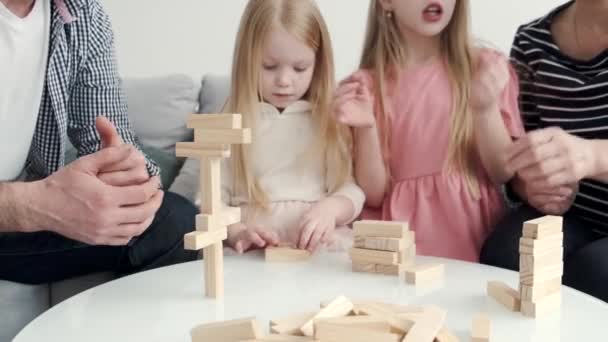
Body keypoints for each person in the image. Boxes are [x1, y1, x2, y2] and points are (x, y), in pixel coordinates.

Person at [0, 0, 197, 285]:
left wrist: (126, 177)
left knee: (175, 222)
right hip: (17, 213)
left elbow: (115, 142)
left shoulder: (82, 14)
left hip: (16, 234)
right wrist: (36, 203)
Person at [333, 0, 524, 261]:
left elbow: (503, 172)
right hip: (399, 246)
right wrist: (366, 128)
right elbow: (374, 195)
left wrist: (485, 108)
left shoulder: (486, 69)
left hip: (476, 241)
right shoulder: (365, 88)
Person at [480, 0, 608, 302]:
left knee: (595, 270)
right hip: (572, 217)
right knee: (507, 254)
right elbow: (519, 157)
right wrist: (530, 185)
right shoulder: (532, 40)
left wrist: (592, 157)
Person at [219, 0, 365, 254]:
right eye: (269, 66)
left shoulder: (326, 118)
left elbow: (351, 190)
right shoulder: (231, 119)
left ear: (318, 64)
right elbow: (211, 201)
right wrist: (237, 233)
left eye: (300, 68)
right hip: (253, 250)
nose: (285, 81)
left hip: (316, 247)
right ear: (247, 59)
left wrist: (331, 209)